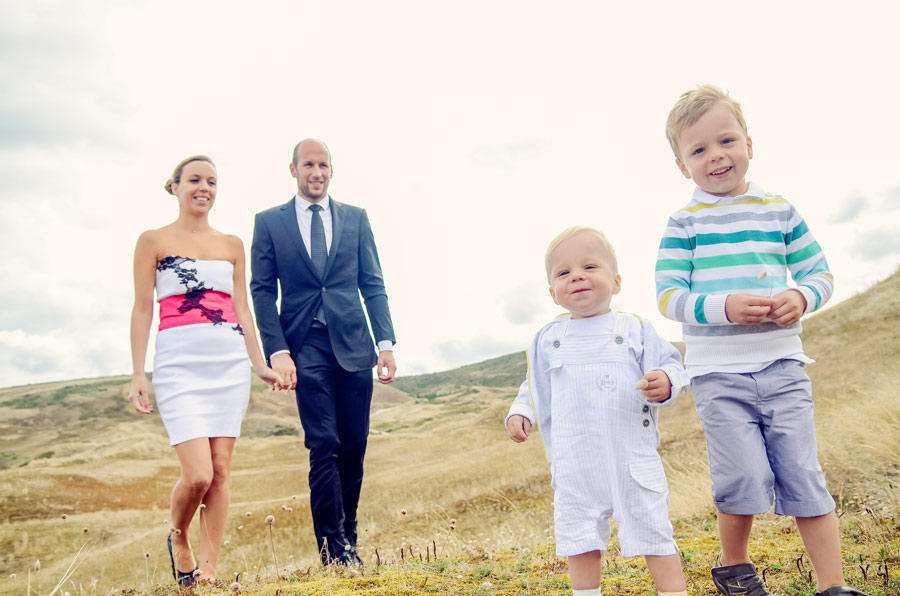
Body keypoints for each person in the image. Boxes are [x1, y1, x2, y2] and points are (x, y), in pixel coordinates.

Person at [656, 85, 869, 596]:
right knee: (742, 479)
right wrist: (722, 307)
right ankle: (734, 566)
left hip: (783, 367)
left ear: (750, 143)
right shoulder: (683, 223)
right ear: (683, 167)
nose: (717, 156)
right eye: (699, 150)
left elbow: (819, 273)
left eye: (726, 140)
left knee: (803, 473)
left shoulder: (779, 209)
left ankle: (833, 586)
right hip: (717, 375)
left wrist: (803, 297)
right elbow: (667, 297)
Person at [506, 227, 688, 596]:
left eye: (590, 266)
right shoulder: (548, 337)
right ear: (552, 292)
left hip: (630, 456)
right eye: (563, 272)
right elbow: (535, 385)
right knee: (579, 536)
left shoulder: (633, 327)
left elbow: (672, 365)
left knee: (653, 529)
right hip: (575, 460)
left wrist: (666, 381)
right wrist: (522, 411)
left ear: (616, 281)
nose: (576, 276)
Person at [129, 155, 283, 586]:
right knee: (198, 474)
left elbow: (241, 309)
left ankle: (210, 570)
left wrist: (260, 363)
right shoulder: (152, 241)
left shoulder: (231, 244)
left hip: (229, 364)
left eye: (212, 181)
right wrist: (139, 373)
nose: (204, 187)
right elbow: (142, 310)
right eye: (195, 179)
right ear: (175, 186)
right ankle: (178, 537)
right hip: (178, 363)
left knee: (221, 470)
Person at [249, 138, 397, 565]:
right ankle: (334, 550)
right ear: (292, 169)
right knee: (324, 442)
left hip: (353, 344)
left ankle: (349, 538)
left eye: (324, 165)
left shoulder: (355, 219)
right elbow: (262, 291)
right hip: (304, 344)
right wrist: (276, 351)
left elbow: (373, 282)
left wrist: (384, 343)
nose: (317, 172)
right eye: (309, 164)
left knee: (354, 442)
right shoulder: (269, 223)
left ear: (332, 171)